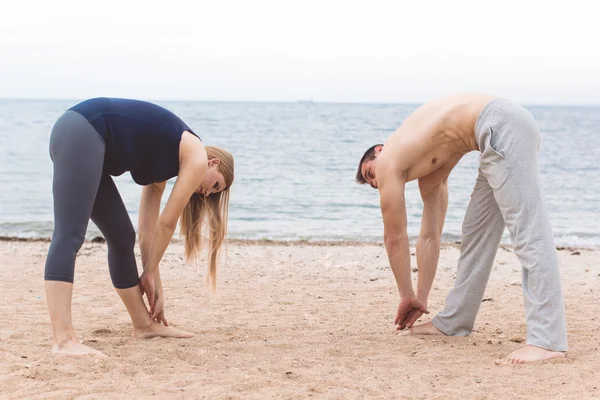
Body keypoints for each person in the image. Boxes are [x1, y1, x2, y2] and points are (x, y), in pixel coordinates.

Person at [355, 93, 567, 364]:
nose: (377, 183)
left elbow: (394, 236)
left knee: (529, 234)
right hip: (498, 131)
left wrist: (404, 295)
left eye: (370, 173)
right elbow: (429, 238)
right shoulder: (429, 171)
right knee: (476, 231)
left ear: (379, 150)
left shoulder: (390, 158)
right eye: (372, 185)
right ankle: (454, 321)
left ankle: (546, 341)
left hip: (499, 125)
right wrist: (419, 297)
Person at [44, 97, 234, 356]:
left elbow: (148, 233)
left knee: (123, 236)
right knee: (69, 235)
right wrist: (150, 273)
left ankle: (144, 325)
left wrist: (153, 279)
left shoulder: (164, 168)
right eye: (215, 186)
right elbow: (167, 224)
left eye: (213, 193)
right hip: (82, 130)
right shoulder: (197, 156)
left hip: (86, 140)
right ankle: (63, 340)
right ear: (214, 163)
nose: (206, 194)